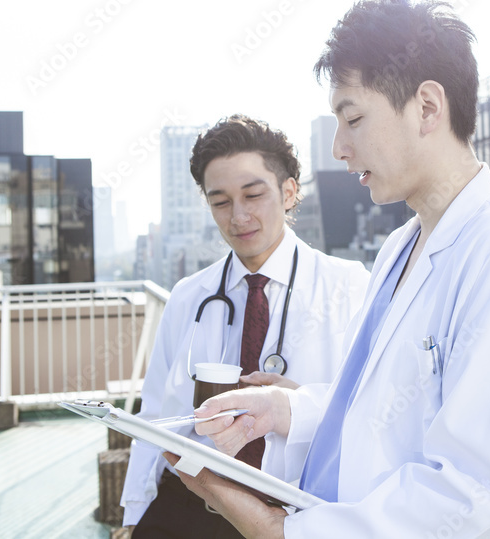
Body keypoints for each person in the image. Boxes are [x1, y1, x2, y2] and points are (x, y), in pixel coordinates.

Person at [172, 0, 490, 538]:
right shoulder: (398, 250)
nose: (340, 147)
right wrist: (281, 409)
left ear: (428, 108)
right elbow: (378, 416)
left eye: (354, 118)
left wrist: (282, 533)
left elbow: (474, 492)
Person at [122, 114, 370, 538]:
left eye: (253, 195)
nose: (238, 217)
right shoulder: (189, 295)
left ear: (289, 192)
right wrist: (132, 516)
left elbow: (372, 411)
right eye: (220, 202)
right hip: (192, 500)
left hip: (294, 511)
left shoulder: (349, 287)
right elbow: (155, 415)